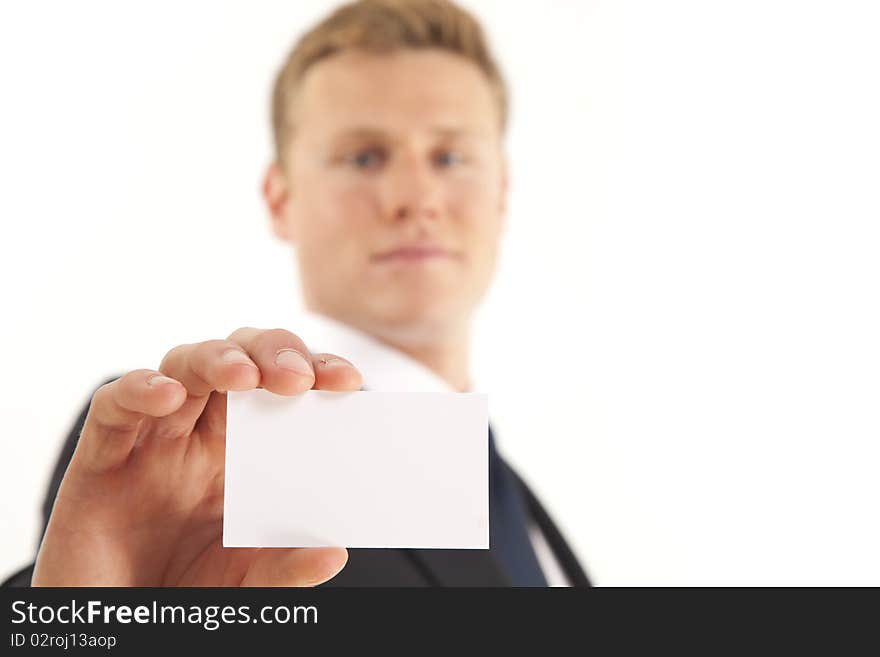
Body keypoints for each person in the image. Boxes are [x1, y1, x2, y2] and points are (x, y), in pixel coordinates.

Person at [3, 0, 589, 587]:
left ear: (502, 194)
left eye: (451, 156)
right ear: (280, 199)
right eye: (364, 156)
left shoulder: (516, 496)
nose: (417, 197)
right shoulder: (186, 453)